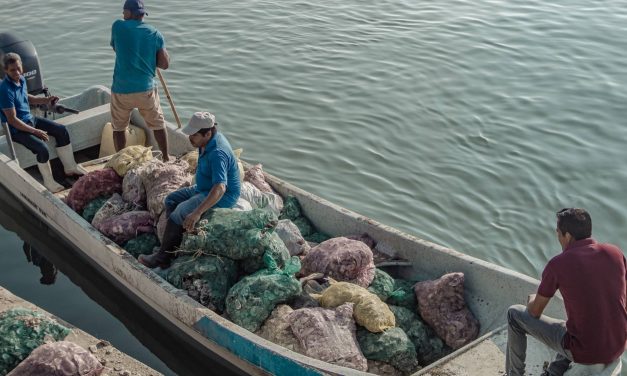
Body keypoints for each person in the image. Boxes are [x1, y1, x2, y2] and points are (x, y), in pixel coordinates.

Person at [506, 208, 626, 376]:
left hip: (586, 350)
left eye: (558, 233)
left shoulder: (558, 264)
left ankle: (513, 373)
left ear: (567, 236)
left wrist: (532, 299)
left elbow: (535, 311)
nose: (558, 238)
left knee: (514, 314)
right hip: (619, 343)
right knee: (568, 327)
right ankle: (554, 372)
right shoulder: (616, 253)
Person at [139, 112, 241, 268]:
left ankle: (162, 258)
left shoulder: (218, 153)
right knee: (171, 200)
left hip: (221, 195)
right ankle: (175, 242)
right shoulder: (205, 142)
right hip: (203, 188)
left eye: (194, 135)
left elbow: (220, 187)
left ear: (207, 133)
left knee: (180, 211)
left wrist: (197, 212)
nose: (189, 138)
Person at [1, 52, 87, 193]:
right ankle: (49, 182)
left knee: (61, 130)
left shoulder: (21, 79)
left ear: (21, 65)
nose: (16, 72)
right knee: (42, 148)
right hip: (16, 129)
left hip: (30, 119)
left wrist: (46, 100)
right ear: (5, 71)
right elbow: (12, 120)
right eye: (12, 70)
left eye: (18, 68)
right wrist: (36, 132)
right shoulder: (4, 90)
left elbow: (28, 98)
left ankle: (70, 167)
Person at [110, 0, 170, 161]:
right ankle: (165, 157)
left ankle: (120, 159)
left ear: (129, 13)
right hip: (146, 90)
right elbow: (164, 64)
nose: (122, 15)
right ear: (142, 15)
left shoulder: (117, 27)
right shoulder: (155, 33)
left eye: (124, 12)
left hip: (121, 89)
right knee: (158, 124)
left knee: (119, 127)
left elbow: (116, 48)